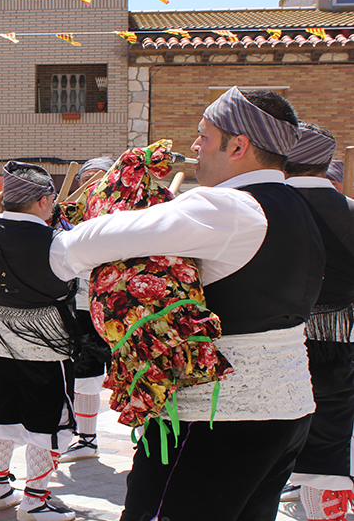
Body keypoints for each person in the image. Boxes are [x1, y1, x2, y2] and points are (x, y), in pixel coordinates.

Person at [49, 87, 323, 520]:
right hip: (288, 410)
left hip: (216, 415)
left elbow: (101, 237)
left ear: (239, 146)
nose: (195, 147)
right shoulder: (299, 207)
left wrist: (62, 250)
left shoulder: (229, 206)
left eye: (204, 136)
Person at [0, 161, 83, 521]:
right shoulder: (58, 242)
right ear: (44, 200)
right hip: (43, 344)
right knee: (46, 419)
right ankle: (35, 498)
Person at [281, 123, 354, 519]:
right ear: (327, 163)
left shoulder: (261, 207)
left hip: (269, 337)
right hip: (337, 341)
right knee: (329, 438)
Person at [59, 156, 115, 464]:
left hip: (119, 308)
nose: (90, 186)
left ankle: (147, 436)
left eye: (98, 178)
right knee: (84, 375)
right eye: (85, 180)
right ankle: (86, 438)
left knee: (133, 377)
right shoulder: (68, 218)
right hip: (80, 306)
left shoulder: (123, 213)